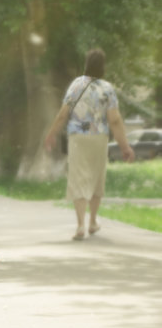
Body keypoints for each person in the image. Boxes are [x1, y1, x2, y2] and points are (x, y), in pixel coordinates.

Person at [45, 48, 135, 240]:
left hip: (78, 138)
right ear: (103, 66)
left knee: (78, 178)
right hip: (99, 139)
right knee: (96, 176)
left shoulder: (76, 85)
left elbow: (63, 114)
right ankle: (93, 222)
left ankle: (80, 225)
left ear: (87, 63)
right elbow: (115, 120)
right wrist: (125, 147)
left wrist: (51, 134)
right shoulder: (107, 89)